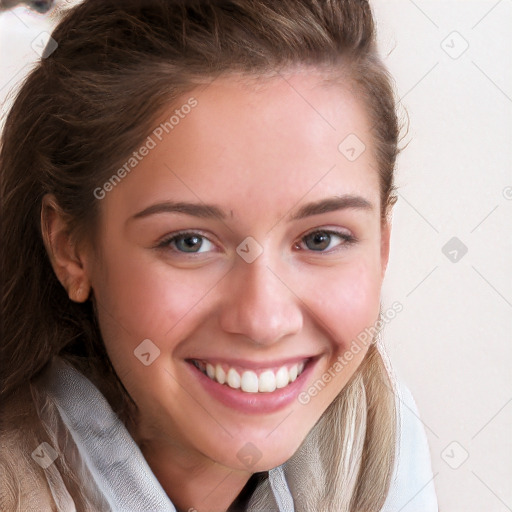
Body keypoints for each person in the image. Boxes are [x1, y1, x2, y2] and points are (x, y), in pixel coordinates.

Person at [0, 1, 439, 510]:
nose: (263, 320)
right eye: (190, 242)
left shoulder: (374, 432)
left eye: (321, 239)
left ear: (383, 244)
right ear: (70, 249)